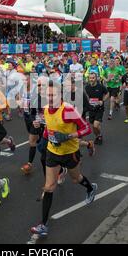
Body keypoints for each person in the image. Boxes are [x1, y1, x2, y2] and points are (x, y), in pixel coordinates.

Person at [30, 80, 96, 237]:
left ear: (60, 95)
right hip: (52, 152)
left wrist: (69, 136)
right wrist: (40, 131)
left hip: (70, 152)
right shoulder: (46, 109)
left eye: (53, 95)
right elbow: (49, 129)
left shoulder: (68, 110)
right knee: (49, 187)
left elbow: (86, 128)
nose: (50, 98)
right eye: (48, 95)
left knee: (76, 179)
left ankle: (90, 188)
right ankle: (43, 224)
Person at [85, 72, 108, 144]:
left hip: (99, 108)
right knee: (94, 127)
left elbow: (107, 93)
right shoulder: (87, 87)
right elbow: (86, 96)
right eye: (90, 78)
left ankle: (99, 136)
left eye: (93, 78)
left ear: (96, 78)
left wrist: (103, 100)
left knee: (95, 125)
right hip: (91, 109)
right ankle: (98, 136)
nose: (91, 79)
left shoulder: (100, 86)